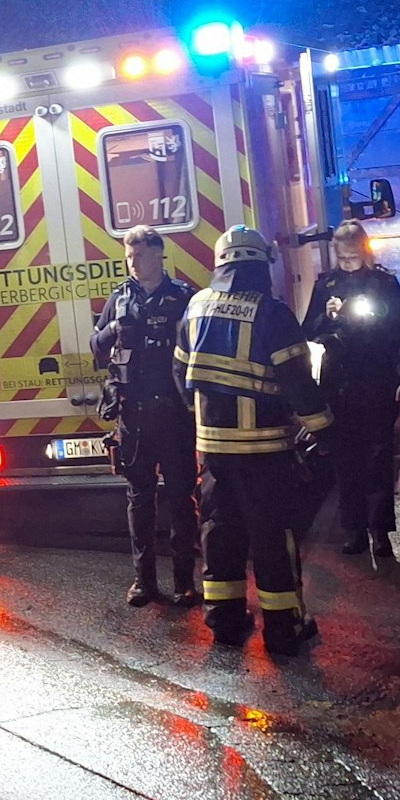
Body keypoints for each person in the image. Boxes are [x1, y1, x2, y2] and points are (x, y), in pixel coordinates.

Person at [175, 225, 333, 655]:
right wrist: (325, 431)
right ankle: (283, 630)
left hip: (213, 453)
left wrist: (205, 420)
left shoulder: (195, 307)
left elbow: (180, 375)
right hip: (265, 453)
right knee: (271, 538)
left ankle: (224, 623)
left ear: (220, 263)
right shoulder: (272, 313)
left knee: (219, 533)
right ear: (261, 265)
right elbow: (299, 384)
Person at [90, 226, 199, 607]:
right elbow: (96, 346)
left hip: (174, 415)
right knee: (140, 499)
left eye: (139, 255)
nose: (133, 263)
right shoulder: (119, 298)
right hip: (133, 416)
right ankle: (144, 581)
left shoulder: (184, 297)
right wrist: (114, 332)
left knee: (183, 499)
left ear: (159, 254)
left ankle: (185, 581)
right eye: (128, 256)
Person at [301, 221, 400, 557]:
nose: (348, 263)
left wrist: (373, 316)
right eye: (342, 257)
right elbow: (307, 329)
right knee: (345, 460)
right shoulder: (326, 284)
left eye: (353, 256)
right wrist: (327, 316)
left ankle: (381, 532)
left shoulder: (383, 282)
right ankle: (354, 530)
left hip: (375, 380)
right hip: (340, 383)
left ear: (364, 251)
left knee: (377, 460)